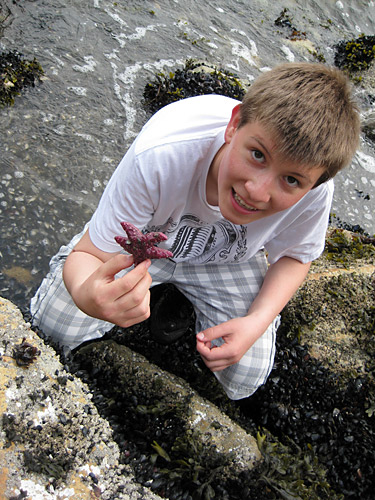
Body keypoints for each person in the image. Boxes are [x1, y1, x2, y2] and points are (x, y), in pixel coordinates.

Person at [30, 62, 360, 400]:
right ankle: (166, 293)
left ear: (315, 183)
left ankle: (180, 299)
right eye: (257, 155)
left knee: (244, 377)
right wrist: (88, 294)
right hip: (144, 242)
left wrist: (257, 321)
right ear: (234, 125)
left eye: (291, 180)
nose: (257, 191)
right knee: (53, 327)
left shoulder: (315, 190)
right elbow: (90, 254)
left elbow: (294, 256)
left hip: (225, 259)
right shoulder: (162, 155)